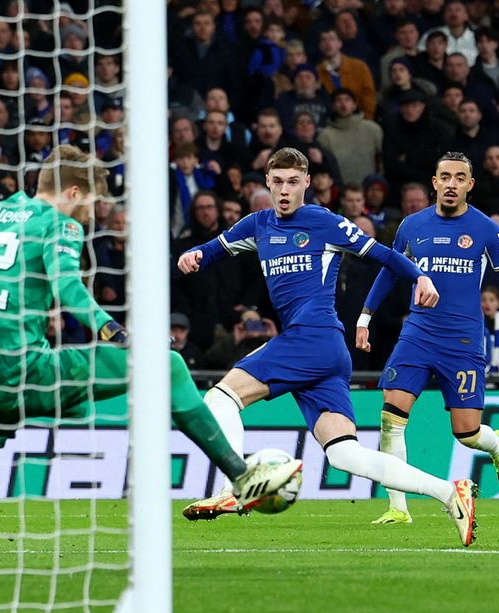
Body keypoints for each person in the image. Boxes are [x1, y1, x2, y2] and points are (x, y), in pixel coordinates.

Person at [0, 146, 300, 579]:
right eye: (91, 204)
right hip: (23, 369)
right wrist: (115, 331)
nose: (90, 216)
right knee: (166, 366)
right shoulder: (56, 224)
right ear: (73, 192)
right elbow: (67, 287)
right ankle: (240, 476)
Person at [177, 148, 478, 546]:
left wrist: (420, 276)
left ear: (306, 184)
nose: (285, 190)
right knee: (344, 454)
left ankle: (240, 483)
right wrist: (193, 254)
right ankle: (449, 492)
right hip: (325, 352)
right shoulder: (257, 224)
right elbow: (213, 249)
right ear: (267, 183)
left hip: (311, 337)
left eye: (292, 182)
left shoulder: (323, 223)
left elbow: (384, 255)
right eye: (278, 182)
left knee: (220, 398)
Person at [355, 151, 499, 524]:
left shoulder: (485, 229)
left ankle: (498, 444)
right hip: (417, 334)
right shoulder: (411, 226)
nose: (451, 184)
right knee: (391, 414)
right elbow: (389, 271)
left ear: (470, 184)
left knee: (466, 433)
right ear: (434, 182)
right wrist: (364, 316)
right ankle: (397, 508)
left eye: (459, 177)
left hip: (463, 342)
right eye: (445, 176)